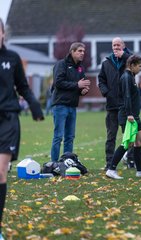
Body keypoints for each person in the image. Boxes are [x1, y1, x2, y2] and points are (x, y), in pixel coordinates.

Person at [0, 17, 44, 240]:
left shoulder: (12, 58)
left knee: (0, 172)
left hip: (8, 119)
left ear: (3, 34)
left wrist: (35, 105)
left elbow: (23, 87)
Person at [106, 55, 141, 179]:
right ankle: (111, 169)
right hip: (127, 115)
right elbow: (127, 97)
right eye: (140, 66)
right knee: (128, 143)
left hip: (135, 115)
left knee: (139, 141)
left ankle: (140, 170)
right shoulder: (126, 77)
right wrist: (129, 114)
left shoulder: (131, 77)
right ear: (132, 65)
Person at [98, 37, 135, 170]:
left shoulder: (129, 59)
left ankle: (131, 161)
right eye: (114, 45)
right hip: (112, 104)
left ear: (123, 46)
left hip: (126, 105)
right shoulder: (106, 63)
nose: (115, 47)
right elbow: (101, 79)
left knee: (129, 135)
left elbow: (136, 62)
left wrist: (124, 56)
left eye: (118, 45)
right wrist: (106, 92)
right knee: (111, 136)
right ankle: (109, 163)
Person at [50, 42, 91, 162]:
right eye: (79, 51)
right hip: (60, 105)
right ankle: (54, 164)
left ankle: (66, 162)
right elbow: (58, 83)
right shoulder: (61, 64)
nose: (82, 53)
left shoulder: (80, 68)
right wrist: (77, 85)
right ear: (72, 52)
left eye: (83, 51)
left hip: (72, 106)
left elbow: (78, 87)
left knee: (70, 137)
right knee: (58, 137)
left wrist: (82, 91)